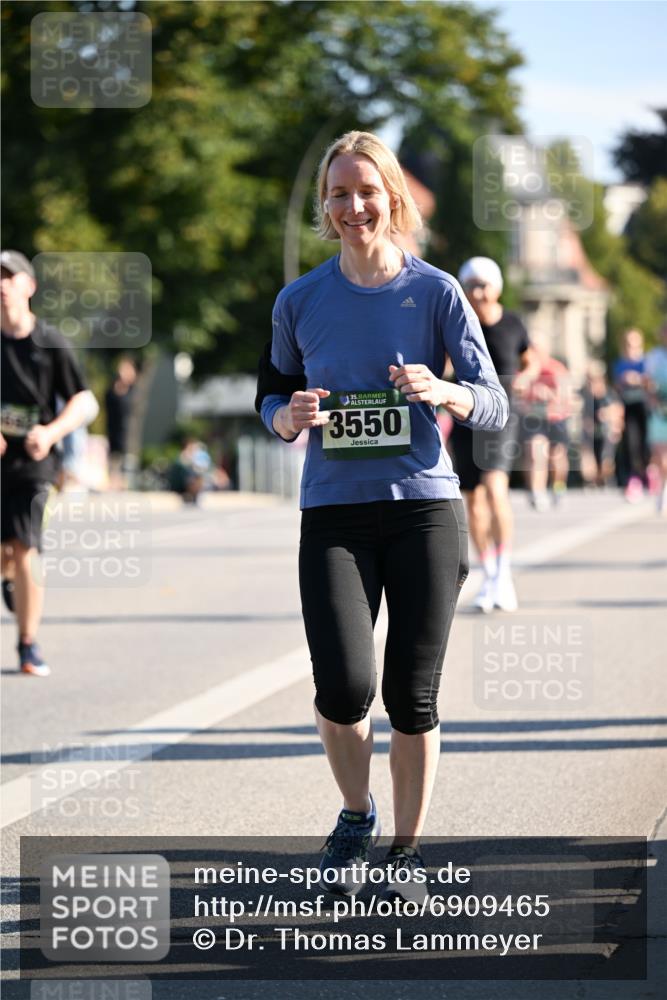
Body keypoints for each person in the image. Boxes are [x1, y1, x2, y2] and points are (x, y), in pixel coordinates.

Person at [256, 131, 508, 900]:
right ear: (325, 207)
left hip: (423, 512)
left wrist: (445, 391)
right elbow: (268, 397)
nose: (352, 205)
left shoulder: (435, 292)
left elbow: (493, 402)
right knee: (341, 689)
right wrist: (288, 417)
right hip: (333, 513)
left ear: (391, 199)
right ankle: (356, 813)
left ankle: (404, 852)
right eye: (338, 193)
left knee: (412, 697)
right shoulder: (298, 300)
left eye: (366, 191)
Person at [1, 249, 96, 676]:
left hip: (35, 463)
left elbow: (84, 400)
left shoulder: (50, 342)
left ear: (29, 286)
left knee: (25, 548)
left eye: (10, 277)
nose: (2, 285)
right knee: (7, 554)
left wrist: (51, 433)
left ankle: (27, 644)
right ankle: (10, 583)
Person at [448, 257, 537, 613]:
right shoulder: (458, 324)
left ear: (497, 288)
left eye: (485, 285)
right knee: (472, 500)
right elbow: (444, 364)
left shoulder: (513, 323)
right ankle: (488, 573)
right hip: (466, 414)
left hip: (502, 415)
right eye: (472, 286)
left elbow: (530, 361)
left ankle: (503, 572)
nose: (479, 293)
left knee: (495, 488)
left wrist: (525, 380)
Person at [520, 331, 573, 511]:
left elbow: (567, 397)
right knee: (535, 453)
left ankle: (558, 488)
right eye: (532, 349)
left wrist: (548, 394)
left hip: (556, 418)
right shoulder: (525, 369)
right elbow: (518, 394)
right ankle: (537, 492)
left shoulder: (556, 368)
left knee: (557, 457)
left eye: (538, 349)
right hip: (535, 419)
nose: (535, 353)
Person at [579, 361, 623, 489]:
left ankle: (606, 479)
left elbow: (618, 410)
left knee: (606, 458)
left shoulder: (609, 394)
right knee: (587, 460)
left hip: (606, 431)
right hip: (589, 433)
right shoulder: (584, 394)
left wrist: (607, 415)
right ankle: (592, 481)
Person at [644, 323, 667, 515]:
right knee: (661, 456)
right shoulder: (654, 357)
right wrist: (653, 400)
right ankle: (662, 491)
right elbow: (647, 382)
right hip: (660, 412)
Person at [105, 357, 137, 490]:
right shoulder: (112, 390)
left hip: (127, 431)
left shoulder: (132, 391)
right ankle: (113, 481)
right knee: (114, 456)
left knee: (125, 457)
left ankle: (124, 482)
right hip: (113, 429)